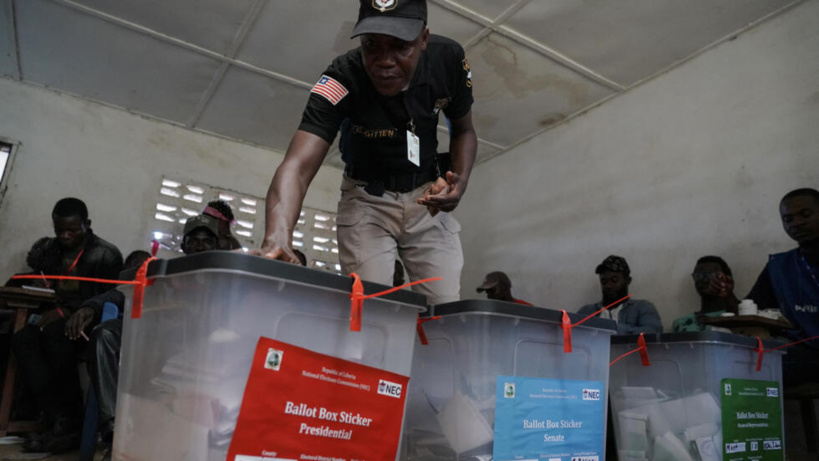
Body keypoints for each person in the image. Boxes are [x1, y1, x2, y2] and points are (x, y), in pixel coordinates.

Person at [258, 0, 477, 306]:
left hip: (428, 200)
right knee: (371, 308)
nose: (384, 61)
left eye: (401, 46)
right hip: (367, 203)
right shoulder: (340, 78)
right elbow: (297, 166)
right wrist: (278, 237)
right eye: (371, 44)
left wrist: (461, 181)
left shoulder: (449, 60)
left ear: (424, 39)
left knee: (444, 310)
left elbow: (464, 130)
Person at [82, 215, 221, 460]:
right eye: (194, 240)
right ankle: (115, 432)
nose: (199, 246)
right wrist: (91, 307)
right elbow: (118, 294)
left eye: (207, 241)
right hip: (149, 336)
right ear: (183, 245)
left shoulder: (224, 279)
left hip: (191, 347)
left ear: (217, 246)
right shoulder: (163, 270)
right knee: (105, 334)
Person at [12, 198, 123, 453]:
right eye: (59, 229)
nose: (65, 236)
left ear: (87, 224)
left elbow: (107, 299)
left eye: (73, 230)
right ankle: (58, 416)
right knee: (22, 340)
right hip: (50, 317)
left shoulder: (106, 254)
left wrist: (67, 310)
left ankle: (69, 421)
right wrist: (38, 285)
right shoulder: (50, 250)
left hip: (85, 324)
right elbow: (30, 278)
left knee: (55, 336)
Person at [747, 188, 819, 387]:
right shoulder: (780, 266)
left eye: (805, 214)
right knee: (745, 363)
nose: (796, 223)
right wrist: (725, 295)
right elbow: (752, 308)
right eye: (788, 219)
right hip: (804, 352)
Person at [577, 255, 662, 335]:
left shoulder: (642, 308)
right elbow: (574, 338)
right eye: (604, 281)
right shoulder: (586, 312)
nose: (608, 285)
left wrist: (612, 327)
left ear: (628, 281)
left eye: (614, 280)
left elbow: (654, 332)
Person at [672, 256, 739, 332]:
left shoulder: (737, 315)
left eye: (711, 275)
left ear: (726, 279)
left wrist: (729, 296)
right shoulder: (681, 324)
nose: (705, 280)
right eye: (698, 276)